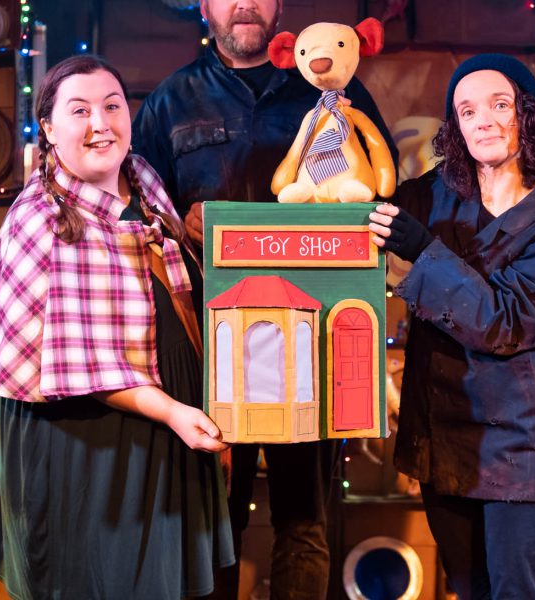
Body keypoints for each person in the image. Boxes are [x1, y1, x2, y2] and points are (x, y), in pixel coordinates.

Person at [132, 1, 397, 598]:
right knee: (212, 522)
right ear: (204, 6)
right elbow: (137, 212)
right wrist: (178, 221)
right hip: (210, 350)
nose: (244, 3)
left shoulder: (331, 85)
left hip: (315, 342)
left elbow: (383, 189)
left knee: (306, 520)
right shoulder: (170, 102)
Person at [0, 55, 234, 599]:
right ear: (48, 129)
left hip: (165, 432)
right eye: (80, 110)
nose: (100, 124)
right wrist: (174, 410)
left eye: (112, 106)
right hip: (88, 449)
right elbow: (74, 364)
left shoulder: (146, 184)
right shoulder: (38, 220)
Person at [368, 53, 535, 599]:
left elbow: (507, 321)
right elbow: (359, 202)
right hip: (446, 449)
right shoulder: (431, 197)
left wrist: (422, 253)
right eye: (467, 110)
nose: (484, 120)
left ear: (530, 116)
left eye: (500, 105)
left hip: (522, 460)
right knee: (467, 590)